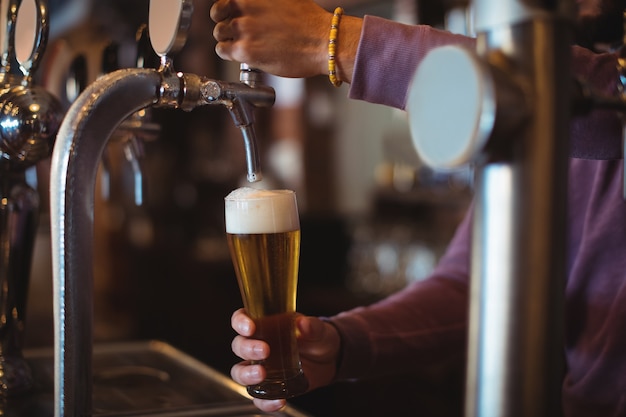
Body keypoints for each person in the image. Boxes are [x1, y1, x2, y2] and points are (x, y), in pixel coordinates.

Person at [210, 0, 626, 415]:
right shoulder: (564, 91)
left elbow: (604, 106)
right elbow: (472, 285)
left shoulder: (583, 96)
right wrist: (340, 344)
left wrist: (331, 41)